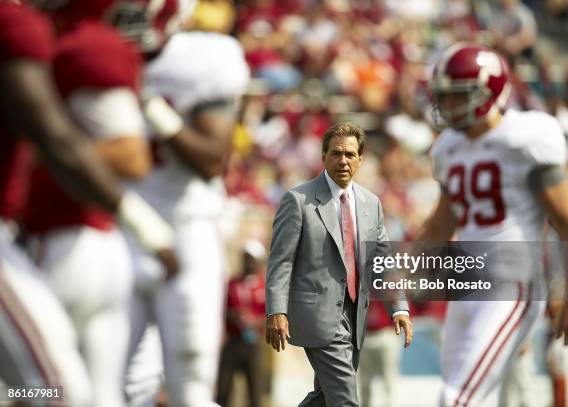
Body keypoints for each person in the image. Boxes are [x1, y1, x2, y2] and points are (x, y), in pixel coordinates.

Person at [0, 1, 177, 405]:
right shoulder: (30, 30)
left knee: (85, 393)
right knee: (57, 390)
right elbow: (56, 138)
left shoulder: (80, 44)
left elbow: (117, 153)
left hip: (80, 241)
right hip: (52, 242)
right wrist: (142, 223)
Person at [419, 43, 568, 406]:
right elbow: (438, 226)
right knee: (468, 396)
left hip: (511, 285)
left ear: (488, 94)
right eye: (444, 97)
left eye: (457, 96)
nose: (447, 106)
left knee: (457, 399)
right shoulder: (449, 147)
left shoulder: (524, 137)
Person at [119, 7, 251, 404]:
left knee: (189, 382)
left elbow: (212, 159)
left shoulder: (203, 59)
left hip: (186, 229)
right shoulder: (90, 52)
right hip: (121, 228)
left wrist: (151, 106)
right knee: (121, 384)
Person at [265, 121, 413, 406]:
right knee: (345, 398)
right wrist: (276, 311)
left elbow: (381, 261)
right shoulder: (298, 200)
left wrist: (399, 307)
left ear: (360, 160)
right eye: (335, 153)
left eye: (349, 154)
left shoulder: (372, 204)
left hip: (356, 316)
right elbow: (281, 261)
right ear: (323, 157)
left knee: (324, 398)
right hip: (317, 315)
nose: (342, 160)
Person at [216, 239, 268, 407]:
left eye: (251, 258)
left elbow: (272, 315)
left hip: (254, 344)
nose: (248, 262)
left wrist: (255, 321)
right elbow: (221, 310)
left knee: (255, 390)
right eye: (246, 257)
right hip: (233, 341)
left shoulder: (264, 286)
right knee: (224, 389)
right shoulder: (232, 284)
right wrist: (235, 316)